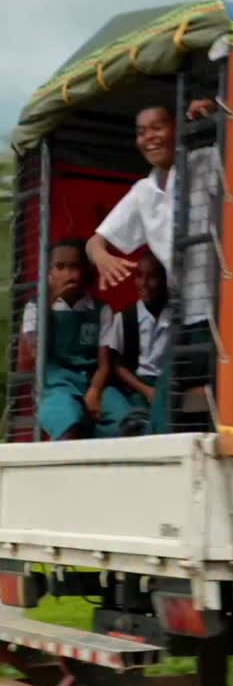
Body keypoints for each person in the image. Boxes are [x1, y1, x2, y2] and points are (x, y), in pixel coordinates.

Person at [86, 98, 216, 433]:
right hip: (187, 315)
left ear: (176, 128)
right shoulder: (143, 191)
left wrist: (215, 116)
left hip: (224, 308)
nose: (149, 138)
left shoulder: (204, 159)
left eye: (157, 127)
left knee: (223, 402)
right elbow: (94, 242)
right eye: (141, 132)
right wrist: (102, 256)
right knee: (168, 404)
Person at [21, 239, 132, 440]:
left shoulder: (101, 310)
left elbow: (105, 363)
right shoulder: (35, 308)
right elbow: (33, 353)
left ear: (86, 272)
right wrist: (51, 302)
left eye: (75, 267)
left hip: (94, 382)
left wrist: (95, 391)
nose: (68, 274)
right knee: (69, 425)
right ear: (49, 273)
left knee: (126, 422)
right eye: (60, 267)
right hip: (56, 386)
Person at [108, 251, 170, 427]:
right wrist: (147, 391)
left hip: (167, 382)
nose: (144, 284)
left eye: (152, 277)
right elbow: (118, 366)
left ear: (165, 280)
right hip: (138, 386)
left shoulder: (175, 317)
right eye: (139, 276)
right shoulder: (125, 318)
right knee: (137, 420)